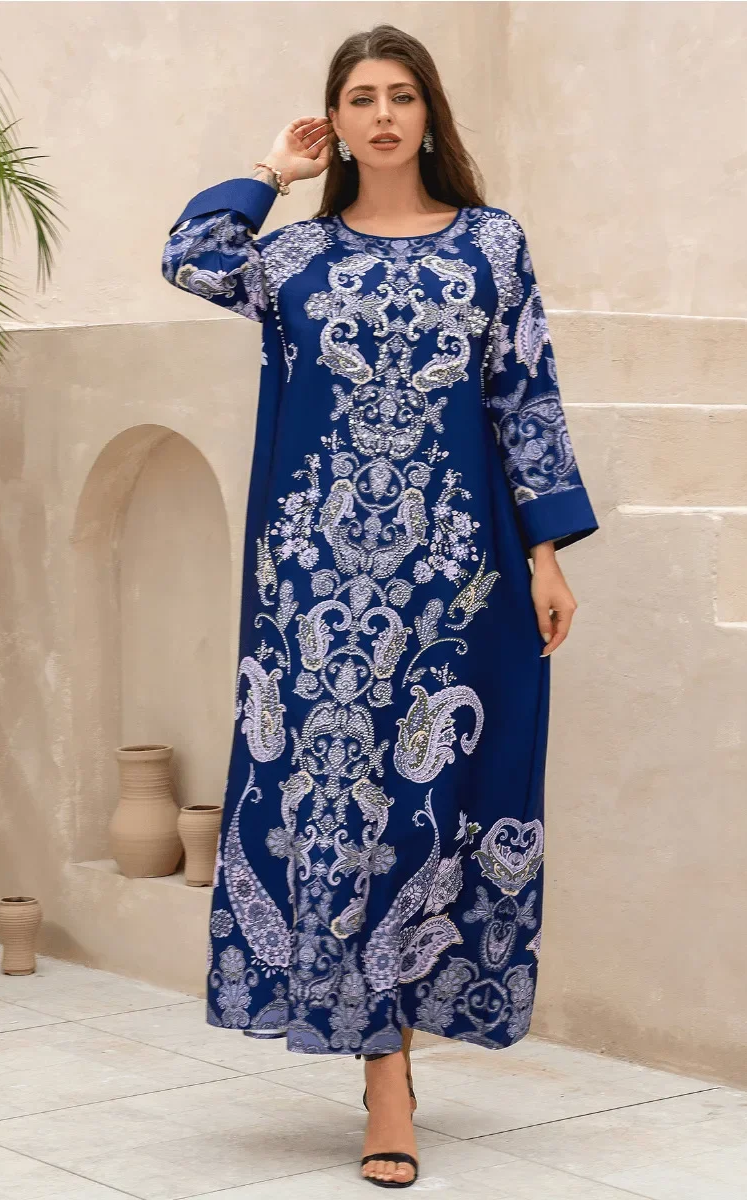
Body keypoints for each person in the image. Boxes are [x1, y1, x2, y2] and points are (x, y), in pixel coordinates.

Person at [161, 22, 599, 1190]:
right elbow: (190, 255)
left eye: (402, 95)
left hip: (461, 580)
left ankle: (396, 1050)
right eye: (361, 98)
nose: (384, 115)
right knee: (336, 812)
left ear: (429, 113)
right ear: (337, 122)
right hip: (315, 590)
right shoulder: (293, 258)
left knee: (437, 805)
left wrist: (549, 553)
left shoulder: (491, 246)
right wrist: (270, 171)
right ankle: (385, 1078)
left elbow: (527, 396)